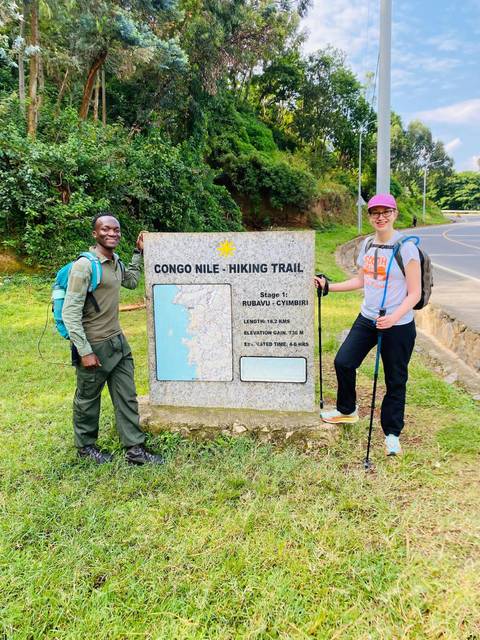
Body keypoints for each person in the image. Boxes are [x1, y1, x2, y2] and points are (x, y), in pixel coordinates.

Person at [315, 194, 421, 456]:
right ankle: (347, 410)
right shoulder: (367, 245)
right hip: (368, 318)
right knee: (344, 361)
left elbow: (415, 293)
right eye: (375, 213)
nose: (380, 217)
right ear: (370, 216)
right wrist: (330, 286)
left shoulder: (406, 247)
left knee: (395, 379)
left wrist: (394, 317)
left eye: (386, 212)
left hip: (398, 324)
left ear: (395, 214)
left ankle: (392, 434)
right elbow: (361, 281)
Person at [62, 213, 163, 465]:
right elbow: (69, 313)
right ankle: (86, 449)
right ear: (95, 234)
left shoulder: (114, 262)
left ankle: (135, 450)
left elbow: (130, 281)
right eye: (106, 230)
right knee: (88, 399)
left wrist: (138, 253)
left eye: (116, 230)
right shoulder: (84, 267)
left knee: (127, 396)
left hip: (118, 341)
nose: (112, 234)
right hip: (94, 345)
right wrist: (84, 351)